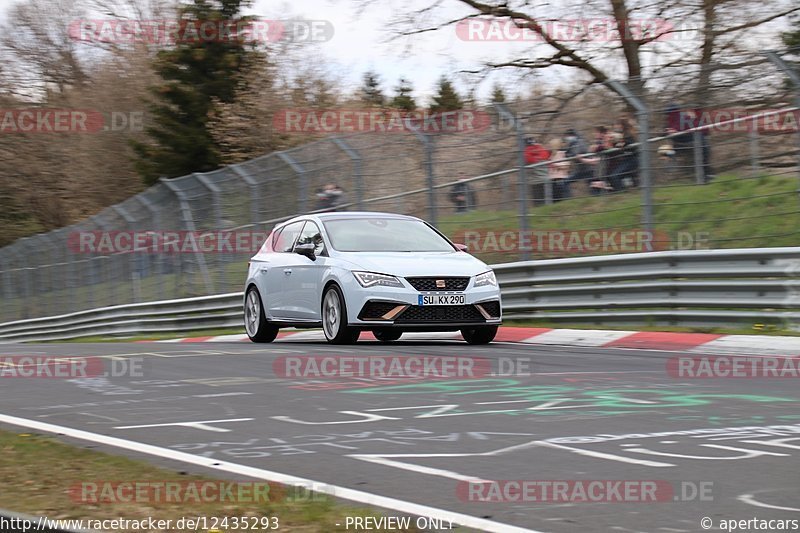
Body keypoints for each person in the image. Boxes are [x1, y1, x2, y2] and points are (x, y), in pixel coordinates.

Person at [665, 104, 714, 183]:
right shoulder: (671, 120)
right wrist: (669, 132)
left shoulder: (683, 117)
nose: (669, 115)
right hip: (681, 142)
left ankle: (706, 175)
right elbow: (668, 131)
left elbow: (701, 129)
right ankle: (705, 175)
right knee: (668, 151)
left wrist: (675, 131)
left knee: (703, 148)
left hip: (692, 140)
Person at [607, 118, 638, 191]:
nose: (616, 126)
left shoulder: (628, 134)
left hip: (632, 159)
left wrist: (623, 144)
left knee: (614, 176)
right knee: (613, 176)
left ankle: (621, 193)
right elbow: (616, 147)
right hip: (625, 159)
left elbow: (631, 144)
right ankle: (624, 191)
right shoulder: (618, 136)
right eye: (615, 125)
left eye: (618, 124)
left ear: (623, 125)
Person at [523, 136, 550, 205]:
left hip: (535, 181)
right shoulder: (542, 150)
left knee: (538, 201)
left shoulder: (526, 153)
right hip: (546, 178)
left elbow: (527, 162)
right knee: (548, 200)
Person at [564, 128, 592, 195]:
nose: (567, 138)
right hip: (581, 169)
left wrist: (569, 154)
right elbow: (569, 153)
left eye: (568, 136)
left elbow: (576, 153)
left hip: (587, 168)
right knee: (566, 182)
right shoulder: (572, 144)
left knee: (593, 184)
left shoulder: (579, 142)